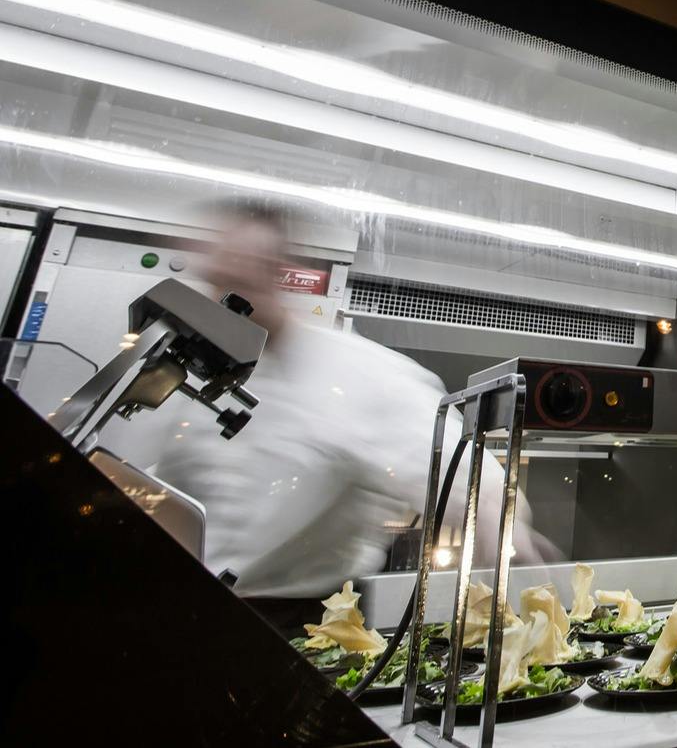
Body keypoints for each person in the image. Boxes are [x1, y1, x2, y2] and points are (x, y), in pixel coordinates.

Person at [110, 201, 547, 633]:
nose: (227, 299)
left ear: (277, 272)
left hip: (298, 626)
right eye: (219, 281)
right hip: (182, 608)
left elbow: (464, 474)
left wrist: (500, 524)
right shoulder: (190, 378)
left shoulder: (355, 375)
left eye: (244, 278)